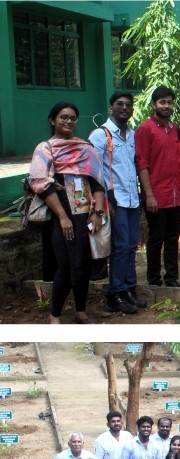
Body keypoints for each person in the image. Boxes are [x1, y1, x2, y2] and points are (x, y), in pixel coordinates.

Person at [33, 101, 108, 323]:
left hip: (85, 215)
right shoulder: (45, 148)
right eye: (63, 117)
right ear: (52, 120)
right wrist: (63, 217)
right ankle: (54, 315)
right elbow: (40, 184)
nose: (68, 121)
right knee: (65, 265)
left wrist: (98, 213)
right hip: (60, 217)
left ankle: (80, 311)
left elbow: (97, 184)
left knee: (82, 265)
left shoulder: (85, 148)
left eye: (72, 118)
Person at [86, 93, 143, 314]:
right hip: (114, 200)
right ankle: (115, 293)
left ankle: (128, 288)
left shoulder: (132, 135)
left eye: (128, 105)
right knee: (119, 248)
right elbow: (93, 170)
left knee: (130, 246)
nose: (124, 108)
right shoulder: (101, 135)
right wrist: (100, 204)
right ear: (111, 108)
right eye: (120, 104)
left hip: (132, 198)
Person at [136, 85, 180, 287]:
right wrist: (149, 195)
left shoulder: (175, 129)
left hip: (177, 195)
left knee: (173, 238)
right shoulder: (145, 129)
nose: (166, 106)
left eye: (169, 102)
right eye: (162, 102)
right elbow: (142, 164)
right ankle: (154, 279)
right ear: (154, 104)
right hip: (156, 195)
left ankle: (172, 278)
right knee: (156, 238)